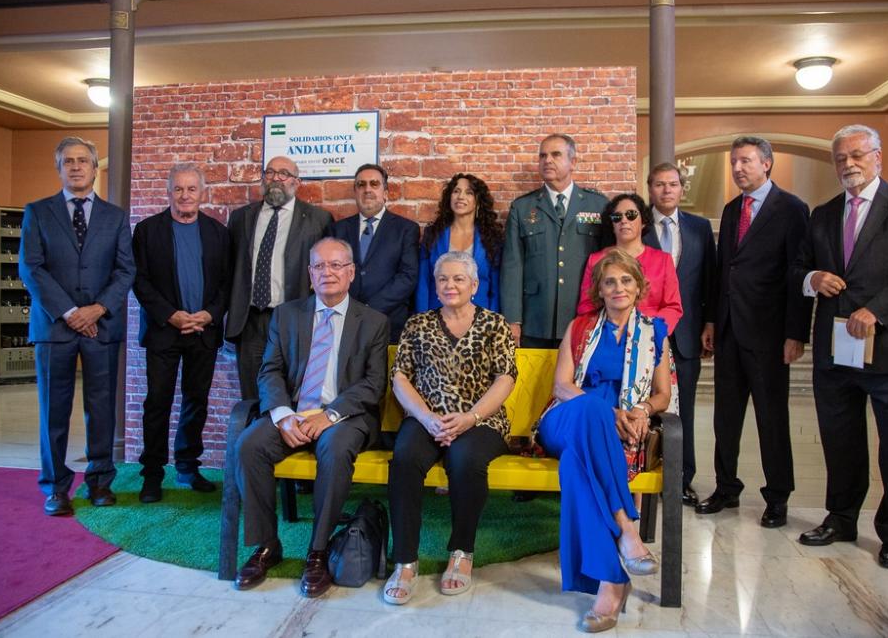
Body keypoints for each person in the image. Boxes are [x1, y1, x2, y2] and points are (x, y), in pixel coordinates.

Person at [792, 125, 888, 570]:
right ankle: (840, 518)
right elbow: (799, 267)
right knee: (840, 441)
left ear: (878, 156)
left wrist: (877, 310)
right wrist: (812, 279)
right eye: (841, 158)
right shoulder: (823, 214)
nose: (848, 164)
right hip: (836, 351)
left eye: (857, 155)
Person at [232, 238, 389, 596]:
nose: (328, 273)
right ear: (310, 274)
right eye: (320, 266)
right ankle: (267, 546)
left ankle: (317, 552)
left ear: (350, 273)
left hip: (347, 417)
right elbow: (270, 370)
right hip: (296, 413)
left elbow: (373, 384)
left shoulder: (374, 321)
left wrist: (330, 415)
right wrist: (284, 416)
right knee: (248, 444)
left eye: (336, 265)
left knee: (334, 449)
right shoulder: (287, 315)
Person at [536, 248, 671, 633]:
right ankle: (627, 528)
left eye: (626, 280)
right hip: (566, 420)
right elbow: (562, 386)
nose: (618, 288)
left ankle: (611, 585)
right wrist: (607, 413)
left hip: (615, 432)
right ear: (599, 288)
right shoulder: (580, 327)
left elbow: (663, 394)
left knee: (575, 466)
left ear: (639, 286)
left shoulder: (653, 333)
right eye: (609, 281)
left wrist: (642, 409)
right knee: (592, 408)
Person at [383, 251, 517, 604]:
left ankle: (461, 552)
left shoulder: (495, 324)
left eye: (459, 278)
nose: (450, 284)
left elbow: (505, 379)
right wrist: (427, 417)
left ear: (474, 285)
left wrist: (470, 418)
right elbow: (400, 378)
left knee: (464, 459)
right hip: (427, 418)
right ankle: (405, 561)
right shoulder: (417, 324)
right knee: (404, 458)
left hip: (481, 419)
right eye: (443, 278)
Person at [696, 136, 811, 529]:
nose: (738, 168)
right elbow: (723, 268)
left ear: (767, 164)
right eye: (733, 162)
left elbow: (798, 273)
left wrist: (796, 333)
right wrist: (711, 320)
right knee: (725, 419)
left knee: (771, 420)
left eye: (745, 161)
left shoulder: (792, 210)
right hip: (728, 331)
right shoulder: (732, 210)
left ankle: (777, 496)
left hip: (769, 334)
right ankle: (727, 487)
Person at [19, 136, 135, 516]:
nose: (76, 166)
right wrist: (70, 312)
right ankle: (55, 487)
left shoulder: (115, 217)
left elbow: (125, 270)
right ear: (59, 168)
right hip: (54, 328)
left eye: (83, 160)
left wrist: (97, 309)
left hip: (101, 328)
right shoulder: (37, 212)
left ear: (94, 168)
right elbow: (31, 268)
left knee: (101, 409)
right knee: (54, 411)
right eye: (68, 161)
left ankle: (100, 482)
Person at [131, 163, 231, 503]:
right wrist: (171, 315)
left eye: (191, 189)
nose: (185, 195)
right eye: (178, 189)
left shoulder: (218, 233)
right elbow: (139, 281)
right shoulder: (147, 231)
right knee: (157, 403)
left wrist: (209, 314)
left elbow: (226, 284)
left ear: (203, 193)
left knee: (195, 402)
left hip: (203, 331)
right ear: (168, 191)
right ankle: (152, 475)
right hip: (164, 332)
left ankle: (188, 467)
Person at [225, 156, 333, 399]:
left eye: (283, 173)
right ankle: (254, 436)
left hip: (294, 317)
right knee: (252, 394)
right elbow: (230, 267)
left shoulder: (318, 219)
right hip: (251, 319)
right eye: (270, 172)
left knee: (294, 390)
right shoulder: (241, 217)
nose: (276, 178)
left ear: (296, 181)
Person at [642, 163, 717, 507]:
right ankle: (643, 475)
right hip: (643, 335)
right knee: (643, 406)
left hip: (686, 333)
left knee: (682, 410)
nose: (667, 190)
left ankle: (682, 479)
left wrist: (710, 324)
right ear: (650, 188)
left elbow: (709, 280)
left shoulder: (700, 229)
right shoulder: (636, 225)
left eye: (673, 184)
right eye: (659, 184)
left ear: (682, 189)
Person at [501, 133, 606, 349]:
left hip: (584, 316)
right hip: (536, 319)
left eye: (556, 154)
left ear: (573, 162)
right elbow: (512, 266)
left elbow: (607, 264)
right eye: (542, 156)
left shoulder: (598, 205)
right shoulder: (522, 208)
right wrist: (513, 320)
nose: (547, 160)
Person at [332, 163, 419, 343]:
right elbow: (331, 273)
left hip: (389, 322)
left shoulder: (406, 229)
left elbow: (408, 276)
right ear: (355, 192)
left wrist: (369, 309)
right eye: (361, 185)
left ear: (385, 194)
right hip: (344, 322)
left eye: (374, 184)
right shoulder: (337, 229)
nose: (367, 189)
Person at [576, 193, 683, 334]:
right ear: (612, 224)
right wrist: (610, 329)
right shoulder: (596, 260)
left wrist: (649, 331)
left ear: (643, 221)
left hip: (650, 339)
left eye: (631, 215)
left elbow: (672, 307)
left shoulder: (662, 260)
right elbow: (586, 306)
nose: (624, 221)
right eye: (617, 217)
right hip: (607, 337)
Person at [415, 173, 503, 312]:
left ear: (478, 201)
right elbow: (423, 282)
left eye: (469, 193)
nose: (460, 196)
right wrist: (421, 318)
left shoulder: (492, 237)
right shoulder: (433, 234)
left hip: (480, 317)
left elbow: (496, 288)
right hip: (437, 315)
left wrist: (493, 321)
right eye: (456, 191)